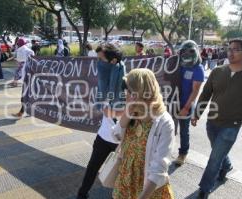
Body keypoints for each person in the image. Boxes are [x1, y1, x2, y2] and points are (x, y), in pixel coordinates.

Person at [192, 39, 242, 199]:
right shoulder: (217, 71)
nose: (231, 52)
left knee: (214, 158)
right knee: (218, 154)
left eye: (236, 50)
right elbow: (205, 95)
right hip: (212, 122)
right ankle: (227, 166)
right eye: (230, 49)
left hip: (231, 125)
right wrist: (197, 114)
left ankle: (204, 190)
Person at [111, 68, 175, 199]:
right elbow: (115, 136)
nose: (125, 93)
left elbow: (159, 168)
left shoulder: (164, 122)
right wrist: (127, 112)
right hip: (126, 178)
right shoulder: (133, 111)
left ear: (140, 92)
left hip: (148, 188)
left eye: (128, 90)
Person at [77, 43, 126, 199]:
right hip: (103, 138)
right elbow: (105, 107)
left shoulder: (127, 81)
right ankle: (82, 195)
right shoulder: (104, 84)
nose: (98, 63)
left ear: (112, 61)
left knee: (121, 175)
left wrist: (110, 110)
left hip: (122, 141)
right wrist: (110, 108)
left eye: (101, 59)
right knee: (92, 169)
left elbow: (130, 110)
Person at [174, 40, 205, 166]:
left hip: (185, 104)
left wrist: (186, 108)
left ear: (196, 51)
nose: (187, 53)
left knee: (183, 131)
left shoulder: (198, 69)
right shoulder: (177, 64)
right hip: (171, 103)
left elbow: (195, 91)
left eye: (190, 50)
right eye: (184, 50)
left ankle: (183, 153)